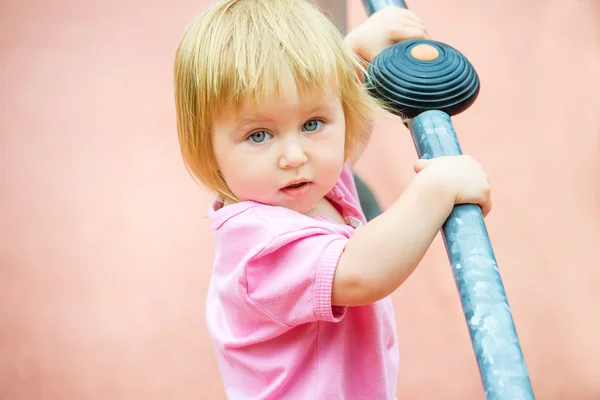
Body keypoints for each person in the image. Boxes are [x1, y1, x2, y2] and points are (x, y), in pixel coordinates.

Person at [173, 1, 492, 398]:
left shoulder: (297, 188)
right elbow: (359, 274)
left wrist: (355, 55)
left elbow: (345, 132)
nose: (295, 155)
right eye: (259, 135)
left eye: (311, 124)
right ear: (207, 148)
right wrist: (436, 189)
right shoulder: (262, 246)